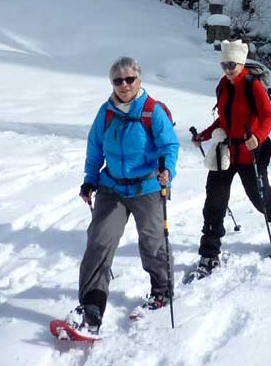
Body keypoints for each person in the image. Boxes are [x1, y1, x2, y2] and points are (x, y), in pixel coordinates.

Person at [64, 56, 179, 338]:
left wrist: (168, 170)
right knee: (99, 241)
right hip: (112, 187)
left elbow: (169, 145)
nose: (124, 85)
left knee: (152, 241)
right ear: (112, 83)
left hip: (148, 187)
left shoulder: (152, 111)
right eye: (118, 80)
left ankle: (162, 291)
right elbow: (95, 151)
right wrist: (90, 180)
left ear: (139, 80)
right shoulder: (106, 113)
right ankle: (91, 309)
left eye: (130, 79)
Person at [191, 38, 271, 279]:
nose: (228, 70)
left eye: (232, 65)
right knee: (214, 202)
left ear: (240, 63)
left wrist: (257, 138)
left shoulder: (253, 85)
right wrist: (205, 135)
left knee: (260, 198)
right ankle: (209, 254)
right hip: (227, 151)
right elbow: (224, 120)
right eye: (224, 65)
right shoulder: (223, 85)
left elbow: (268, 117)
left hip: (252, 152)